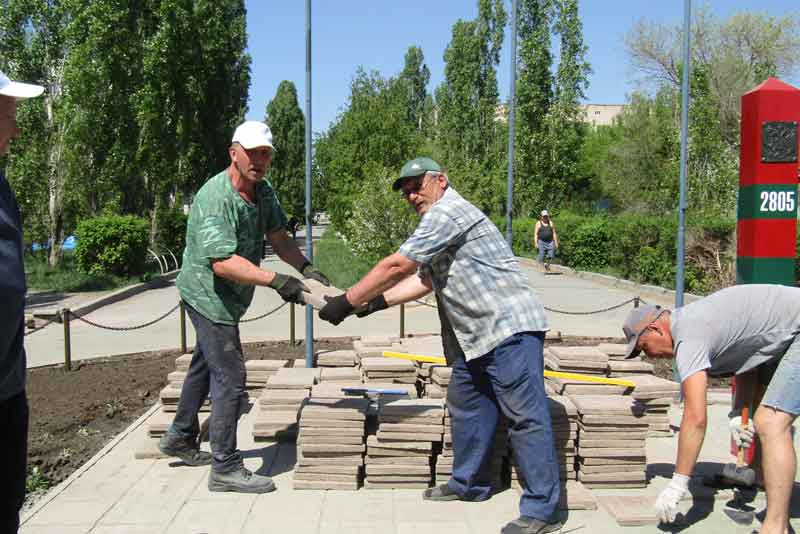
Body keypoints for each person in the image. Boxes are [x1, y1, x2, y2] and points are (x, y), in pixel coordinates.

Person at [319, 157, 562, 534]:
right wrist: (375, 304)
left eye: (417, 186)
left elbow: (396, 266)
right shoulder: (439, 222)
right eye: (406, 192)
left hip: (509, 329)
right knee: (468, 407)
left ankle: (541, 511)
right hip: (475, 337)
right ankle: (469, 483)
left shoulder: (448, 211)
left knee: (525, 418)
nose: (412, 195)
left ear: (441, 181)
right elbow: (425, 280)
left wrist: (347, 301)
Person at [159, 120, 330, 494]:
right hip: (208, 294)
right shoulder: (214, 197)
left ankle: (180, 436)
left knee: (207, 362)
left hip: (229, 295)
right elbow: (222, 262)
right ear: (233, 153)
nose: (259, 160)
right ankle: (224, 466)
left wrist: (305, 268)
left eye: (265, 154)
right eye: (253, 153)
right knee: (231, 377)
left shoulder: (262, 190)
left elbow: (279, 236)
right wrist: (277, 281)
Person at [621, 284, 800, 533]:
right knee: (765, 414)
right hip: (788, 329)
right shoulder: (694, 322)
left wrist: (678, 483)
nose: (649, 356)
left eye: (643, 347)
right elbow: (748, 360)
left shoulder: (689, 336)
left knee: (771, 422)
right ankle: (760, 475)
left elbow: (695, 418)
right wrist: (738, 412)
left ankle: (775, 527)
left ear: (654, 329)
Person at [0, 70, 44, 534]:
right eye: (8, 114)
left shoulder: (2, 186)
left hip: (8, 386)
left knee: (9, 502)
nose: (15, 128)